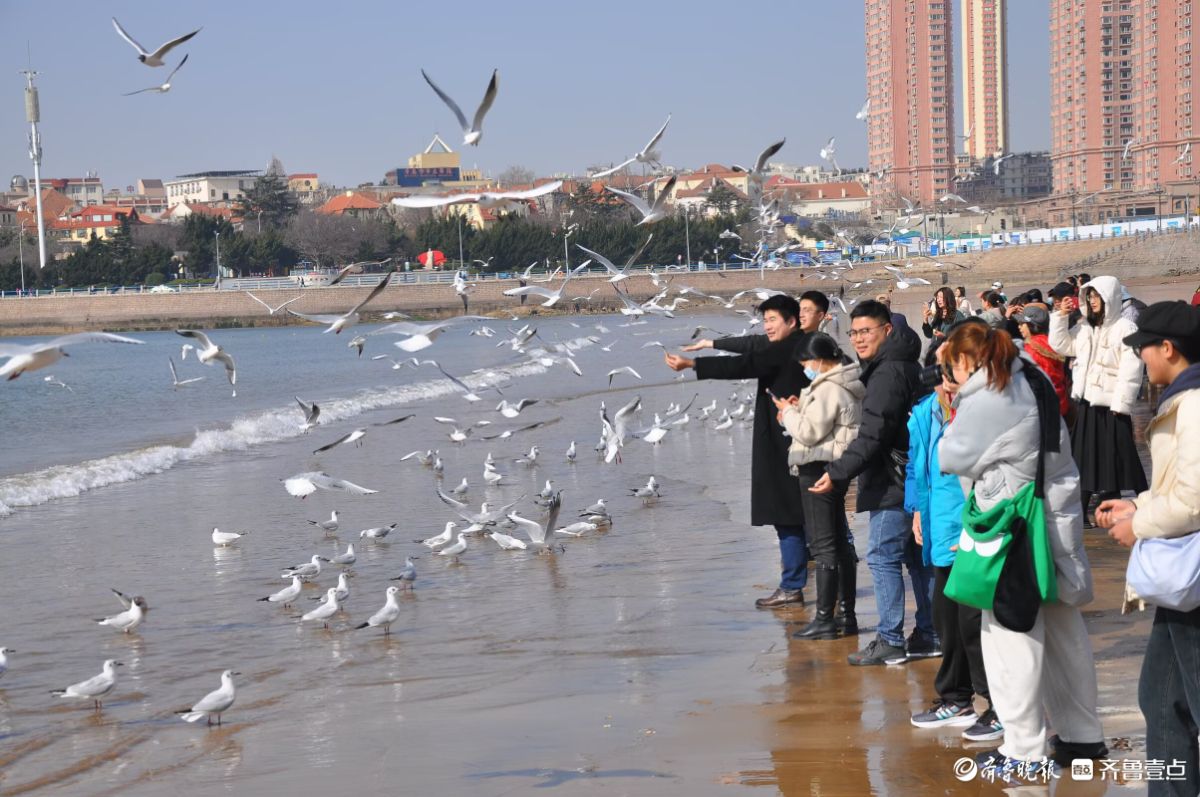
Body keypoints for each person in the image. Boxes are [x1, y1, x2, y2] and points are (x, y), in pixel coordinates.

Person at [938, 322, 1106, 774]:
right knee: (1063, 633)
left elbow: (949, 455)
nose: (951, 375)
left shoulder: (992, 395)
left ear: (966, 359)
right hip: (1052, 514)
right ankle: (1082, 736)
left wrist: (953, 399)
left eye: (952, 366)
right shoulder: (1030, 374)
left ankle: (1022, 749)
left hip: (1015, 527)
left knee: (1010, 635)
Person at [1097, 301, 1200, 797]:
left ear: (1168, 348)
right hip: (1183, 581)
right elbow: (1177, 485)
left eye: (1144, 348)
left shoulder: (1194, 404)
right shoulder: (1181, 399)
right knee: (1160, 699)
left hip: (1191, 577)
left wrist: (1139, 525)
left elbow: (1195, 501)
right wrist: (1136, 503)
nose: (1140, 358)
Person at [812, 300, 937, 666]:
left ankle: (890, 639)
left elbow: (873, 434)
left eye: (866, 331)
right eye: (854, 332)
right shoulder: (905, 364)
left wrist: (837, 472)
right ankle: (930, 633)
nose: (858, 339)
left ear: (887, 330)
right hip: (910, 479)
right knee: (916, 558)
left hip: (891, 483)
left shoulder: (886, 373)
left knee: (883, 557)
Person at [665, 295, 811, 608]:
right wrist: (710, 344)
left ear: (792, 321)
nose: (767, 326)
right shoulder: (798, 345)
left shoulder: (786, 349)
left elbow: (745, 364)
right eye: (765, 320)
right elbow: (751, 348)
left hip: (787, 443)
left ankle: (793, 586)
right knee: (801, 515)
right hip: (793, 438)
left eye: (773, 320)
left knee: (787, 515)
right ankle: (815, 583)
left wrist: (693, 364)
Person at [906, 330, 1002, 742]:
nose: (947, 377)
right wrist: (916, 510)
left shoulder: (979, 411)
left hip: (972, 529)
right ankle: (956, 698)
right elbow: (916, 468)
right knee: (946, 619)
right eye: (941, 367)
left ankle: (996, 704)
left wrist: (974, 529)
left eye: (955, 366)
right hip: (938, 526)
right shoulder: (925, 412)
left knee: (974, 624)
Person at [775, 333, 864, 640]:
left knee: (823, 544)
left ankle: (825, 618)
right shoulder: (846, 382)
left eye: (806, 363)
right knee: (839, 542)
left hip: (817, 468)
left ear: (819, 360)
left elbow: (809, 432)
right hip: (835, 466)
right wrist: (800, 408)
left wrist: (787, 413)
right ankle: (846, 615)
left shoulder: (828, 387)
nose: (805, 369)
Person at [1049, 276, 1148, 524]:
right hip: (1087, 402)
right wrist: (1060, 316)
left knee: (1122, 456)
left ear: (1109, 298)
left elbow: (1131, 369)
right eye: (1090, 296)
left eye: (1097, 296)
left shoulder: (1125, 328)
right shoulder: (1085, 327)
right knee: (1084, 457)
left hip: (1113, 405)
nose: (1093, 301)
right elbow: (1061, 345)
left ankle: (1145, 502)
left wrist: (1122, 404)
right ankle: (1084, 512)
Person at [1014, 305, 1070, 417]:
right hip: (1061, 400)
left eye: (1022, 324)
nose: (1019, 327)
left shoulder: (1030, 349)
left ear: (1031, 325)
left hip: (1044, 406)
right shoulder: (1052, 342)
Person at [921, 287, 966, 365]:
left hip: (950, 355)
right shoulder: (937, 316)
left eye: (941, 297)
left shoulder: (957, 315)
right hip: (936, 355)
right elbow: (929, 334)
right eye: (937, 297)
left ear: (948, 298)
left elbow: (964, 337)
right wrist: (925, 319)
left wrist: (945, 337)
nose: (938, 300)